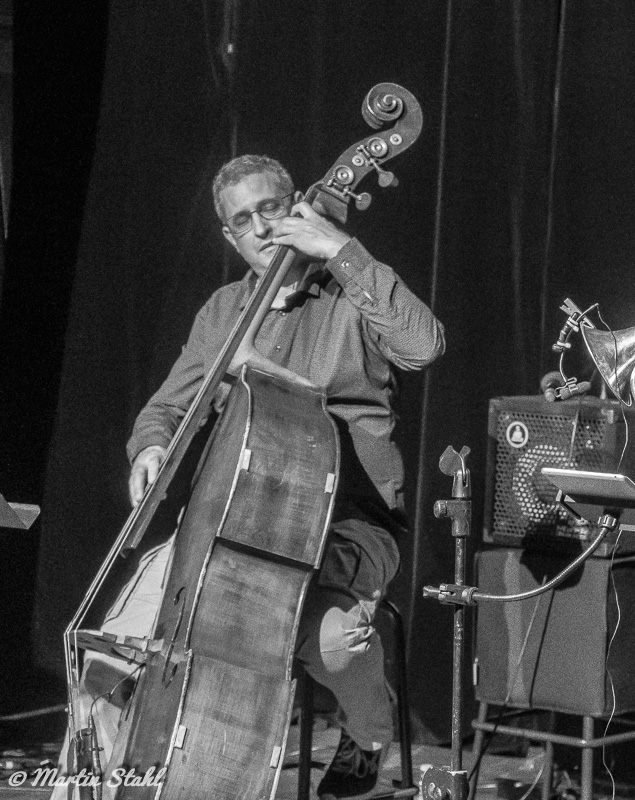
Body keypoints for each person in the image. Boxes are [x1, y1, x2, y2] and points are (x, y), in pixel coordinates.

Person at [112, 154, 443, 800]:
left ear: (297, 206)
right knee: (119, 646)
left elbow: (424, 344)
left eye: (271, 208)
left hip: (349, 521)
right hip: (232, 525)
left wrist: (340, 249)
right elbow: (165, 410)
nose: (261, 227)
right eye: (244, 220)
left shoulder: (349, 294)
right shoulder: (223, 312)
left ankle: (369, 730)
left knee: (332, 643)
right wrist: (149, 448)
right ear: (229, 236)